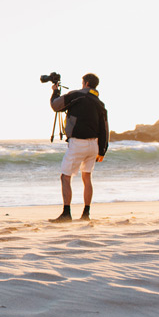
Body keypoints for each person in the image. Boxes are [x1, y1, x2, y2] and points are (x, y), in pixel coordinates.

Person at [49, 73, 109, 222]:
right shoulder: (99, 103)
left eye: (83, 82)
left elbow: (56, 105)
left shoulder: (76, 96)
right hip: (94, 144)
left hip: (78, 143)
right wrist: (102, 150)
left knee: (65, 177)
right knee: (87, 177)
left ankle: (66, 213)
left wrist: (55, 92)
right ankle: (86, 214)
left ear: (86, 83)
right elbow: (105, 128)